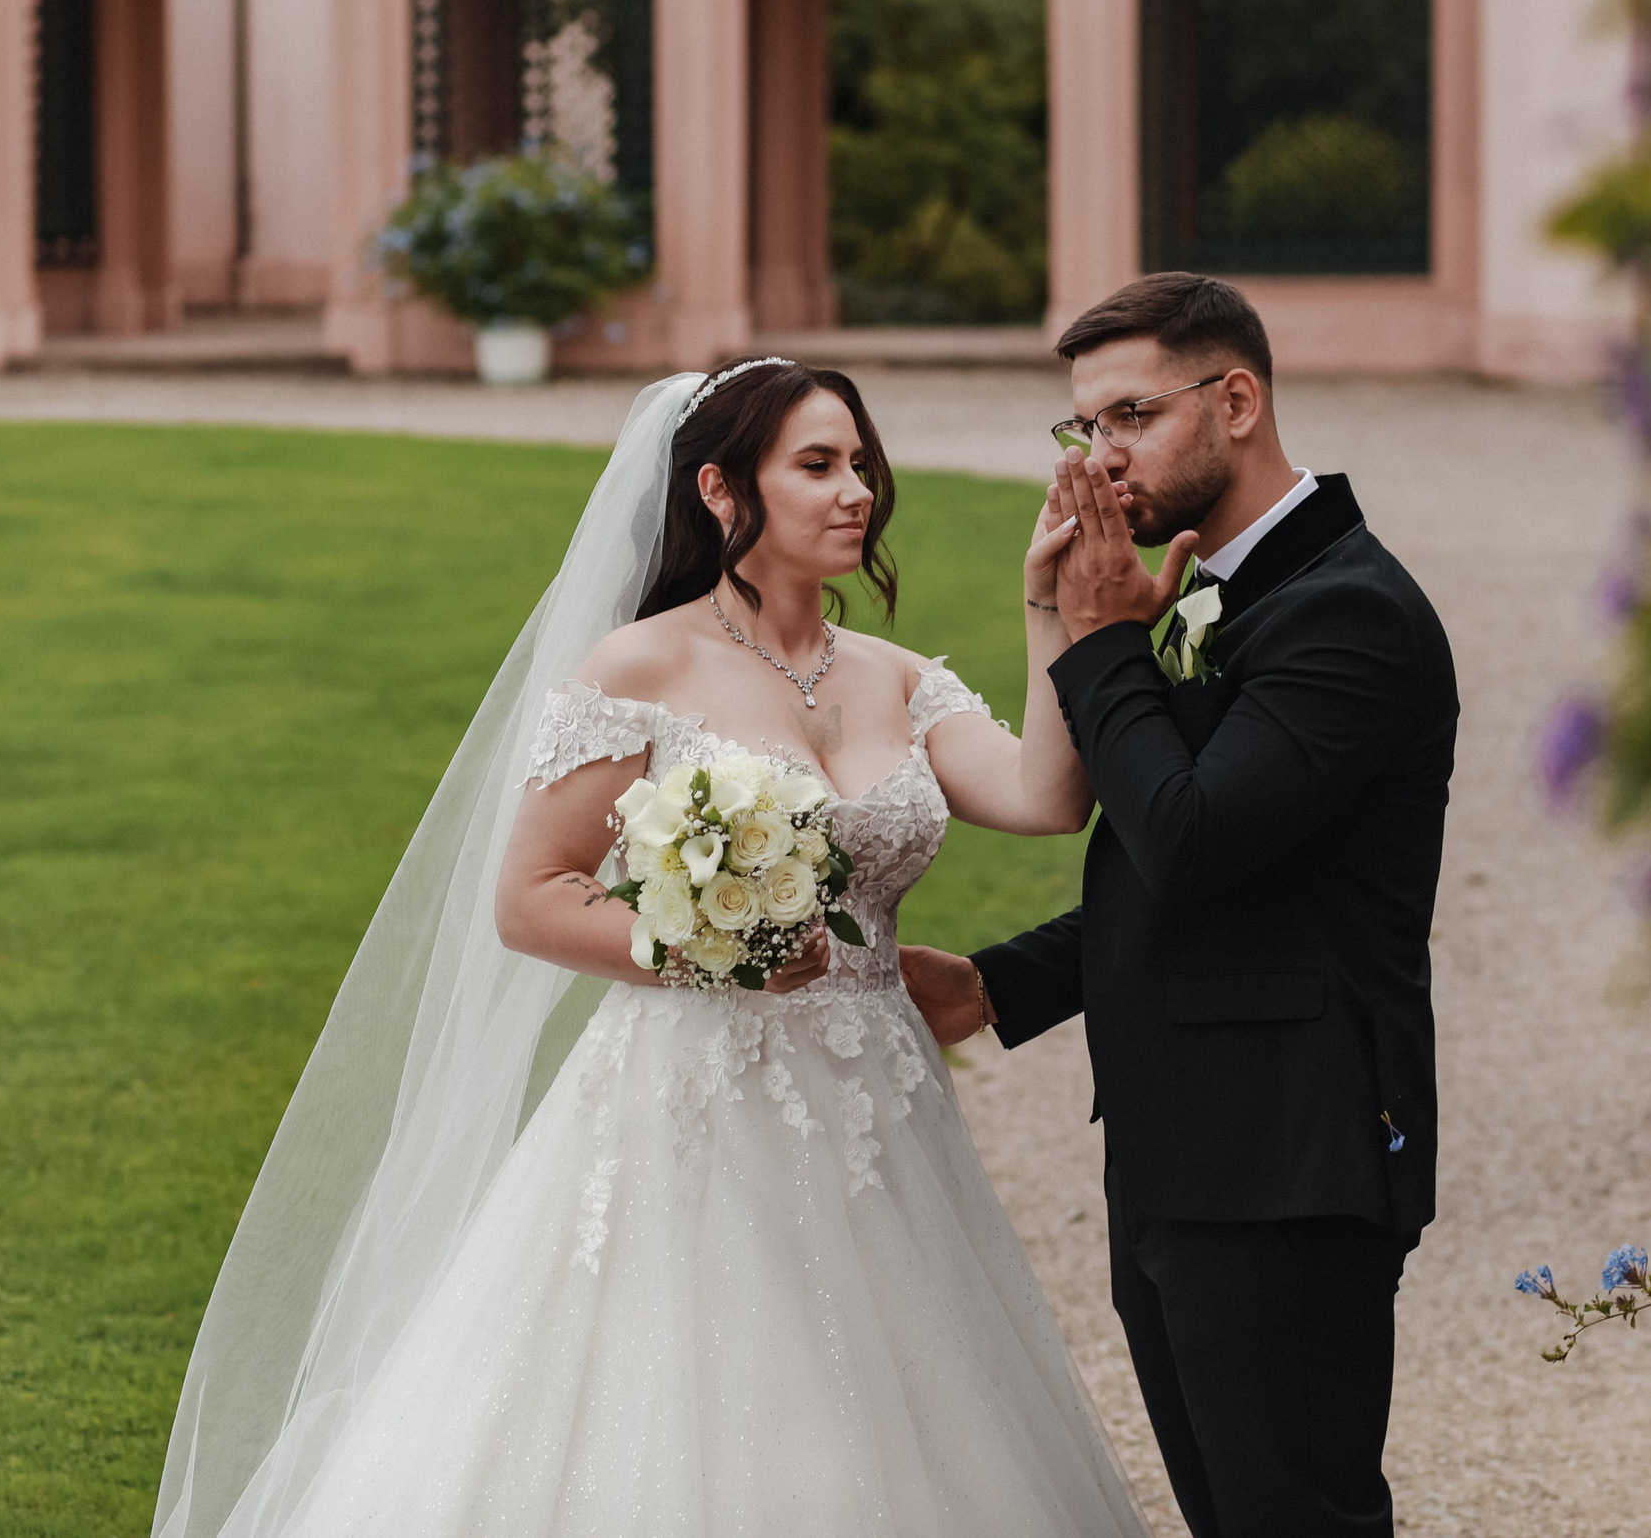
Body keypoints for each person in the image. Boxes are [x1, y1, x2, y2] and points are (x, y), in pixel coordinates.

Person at [154, 360, 1148, 1538]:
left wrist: (1051, 608)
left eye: (861, 464)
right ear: (722, 490)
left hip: (880, 1110)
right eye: (817, 466)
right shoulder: (641, 667)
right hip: (691, 1100)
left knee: (901, 1416)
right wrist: (711, 955)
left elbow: (1045, 793)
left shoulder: (899, 678)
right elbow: (530, 898)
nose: (856, 493)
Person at [902, 273, 1459, 1538]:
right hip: (1178, 1149)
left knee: (1294, 1515)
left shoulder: (1350, 614)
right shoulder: (1214, 590)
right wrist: (1002, 984)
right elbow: (1213, 884)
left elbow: (1192, 839)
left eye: (1130, 416)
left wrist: (1098, 641)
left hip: (1287, 1158)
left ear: (1238, 399)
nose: (1100, 459)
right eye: (1083, 428)